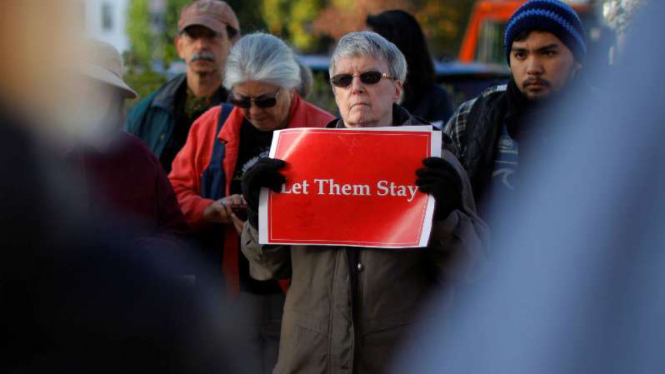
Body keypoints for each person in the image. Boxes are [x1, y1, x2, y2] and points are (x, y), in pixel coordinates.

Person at [240, 31, 487, 374]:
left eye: (370, 77)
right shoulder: (299, 159)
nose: (356, 88)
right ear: (335, 91)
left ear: (397, 87)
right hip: (310, 361)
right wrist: (259, 214)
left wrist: (446, 215)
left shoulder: (435, 160)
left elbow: (472, 268)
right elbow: (268, 268)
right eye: (343, 79)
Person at [168, 32, 334, 374]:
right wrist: (209, 209)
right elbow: (175, 194)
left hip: (299, 295)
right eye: (242, 101)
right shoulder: (211, 126)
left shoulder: (325, 130)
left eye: (265, 101)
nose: (253, 111)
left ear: (291, 87)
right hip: (230, 290)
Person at [444, 0, 588, 213]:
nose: (533, 68)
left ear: (577, 61)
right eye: (521, 55)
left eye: (548, 53)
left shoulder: (606, 122)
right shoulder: (472, 115)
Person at [67, 40, 188, 237]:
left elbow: (176, 233)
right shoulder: (40, 154)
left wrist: (142, 254)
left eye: (97, 91)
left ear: (115, 100)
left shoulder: (138, 156)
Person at [125, 0, 240, 173]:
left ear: (234, 43)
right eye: (193, 36)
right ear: (179, 46)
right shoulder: (149, 112)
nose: (201, 45)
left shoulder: (249, 109)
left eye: (212, 35)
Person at [366, 9, 454, 127]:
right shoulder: (360, 95)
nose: (364, 54)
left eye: (371, 46)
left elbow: (443, 143)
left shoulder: (434, 100)